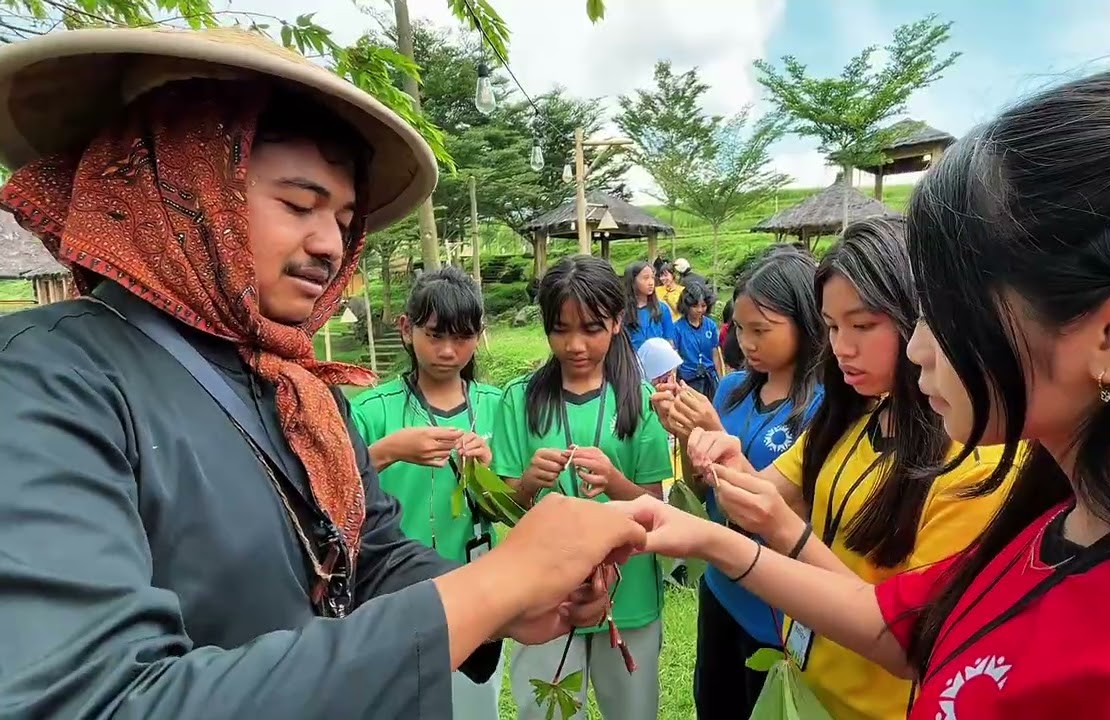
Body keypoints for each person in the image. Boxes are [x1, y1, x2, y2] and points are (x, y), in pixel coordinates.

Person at [0, 27, 638, 719]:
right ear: (179, 191)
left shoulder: (301, 389)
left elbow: (374, 556)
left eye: (341, 217)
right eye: (298, 205)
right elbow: (101, 700)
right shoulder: (48, 376)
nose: (331, 244)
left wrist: (514, 597)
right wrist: (492, 591)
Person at [620, 59, 1110, 718]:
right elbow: (907, 629)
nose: (917, 347)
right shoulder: (1062, 522)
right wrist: (708, 537)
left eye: (946, 309)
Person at [684, 217, 1013, 719]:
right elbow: (766, 491)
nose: (841, 348)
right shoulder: (856, 417)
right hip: (804, 684)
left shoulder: (977, 461)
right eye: (832, 327)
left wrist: (787, 533)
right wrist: (725, 457)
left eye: (862, 326)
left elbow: (908, 643)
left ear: (924, 317)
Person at [493, 255, 672, 720]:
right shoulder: (521, 399)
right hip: (545, 597)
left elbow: (656, 507)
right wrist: (528, 482)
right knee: (546, 712)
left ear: (616, 322)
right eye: (560, 329)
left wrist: (616, 483)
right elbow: (504, 502)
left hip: (627, 596)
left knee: (633, 711)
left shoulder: (641, 400)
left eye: (591, 328)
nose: (574, 345)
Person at [654, 247, 826, 719]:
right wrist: (689, 435)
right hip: (722, 585)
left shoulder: (823, 410)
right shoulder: (733, 389)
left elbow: (774, 510)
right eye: (742, 329)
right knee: (714, 702)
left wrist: (716, 432)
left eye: (761, 331)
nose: (746, 343)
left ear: (807, 323)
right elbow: (703, 488)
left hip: (776, 601)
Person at [350, 266, 503, 719]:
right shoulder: (371, 410)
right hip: (391, 595)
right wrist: (387, 451)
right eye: (435, 335)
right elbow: (334, 493)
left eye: (462, 336)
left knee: (476, 705)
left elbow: (515, 503)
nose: (448, 351)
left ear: (479, 335)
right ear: (406, 328)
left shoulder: (497, 406)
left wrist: (490, 474)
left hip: (475, 591)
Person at [671, 280, 721, 399]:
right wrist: (673, 382)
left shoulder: (711, 326)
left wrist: (721, 379)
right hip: (688, 381)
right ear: (686, 306)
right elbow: (675, 357)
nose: (699, 310)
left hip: (709, 379)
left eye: (703, 306)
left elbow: (715, 354)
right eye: (695, 306)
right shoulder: (677, 328)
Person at [622, 259, 675, 350]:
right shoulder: (622, 311)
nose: (651, 283)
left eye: (652, 277)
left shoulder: (662, 309)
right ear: (633, 281)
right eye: (646, 278)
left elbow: (669, 341)